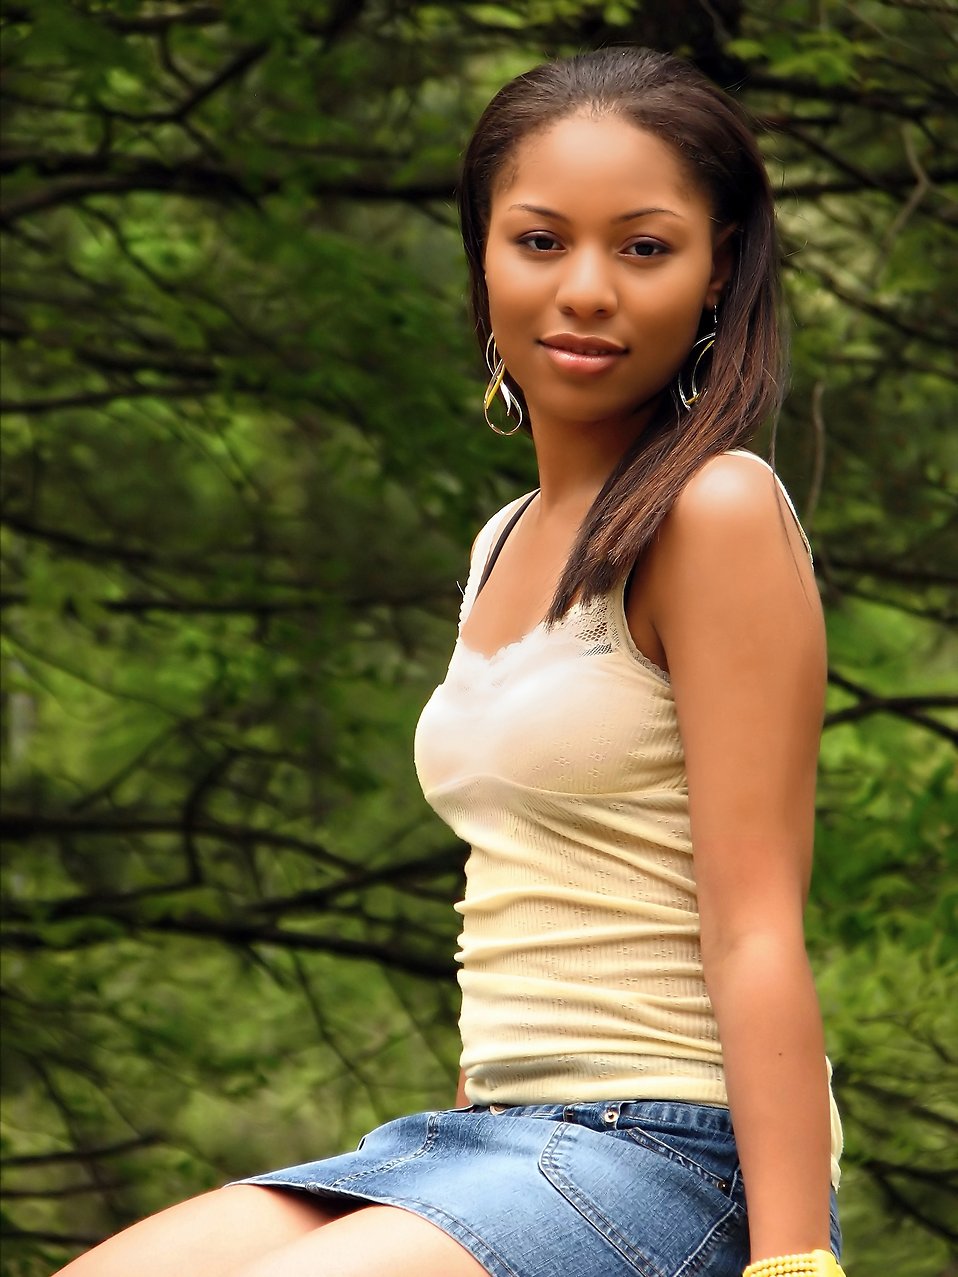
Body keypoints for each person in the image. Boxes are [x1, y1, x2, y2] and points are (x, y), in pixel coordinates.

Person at [57, 46, 846, 1277]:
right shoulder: (501, 542)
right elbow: (520, 895)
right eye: (540, 241)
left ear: (717, 273)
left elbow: (755, 927)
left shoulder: (717, 509)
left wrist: (795, 1257)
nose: (585, 288)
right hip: (478, 1142)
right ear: (482, 255)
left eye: (643, 248)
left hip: (672, 1153)